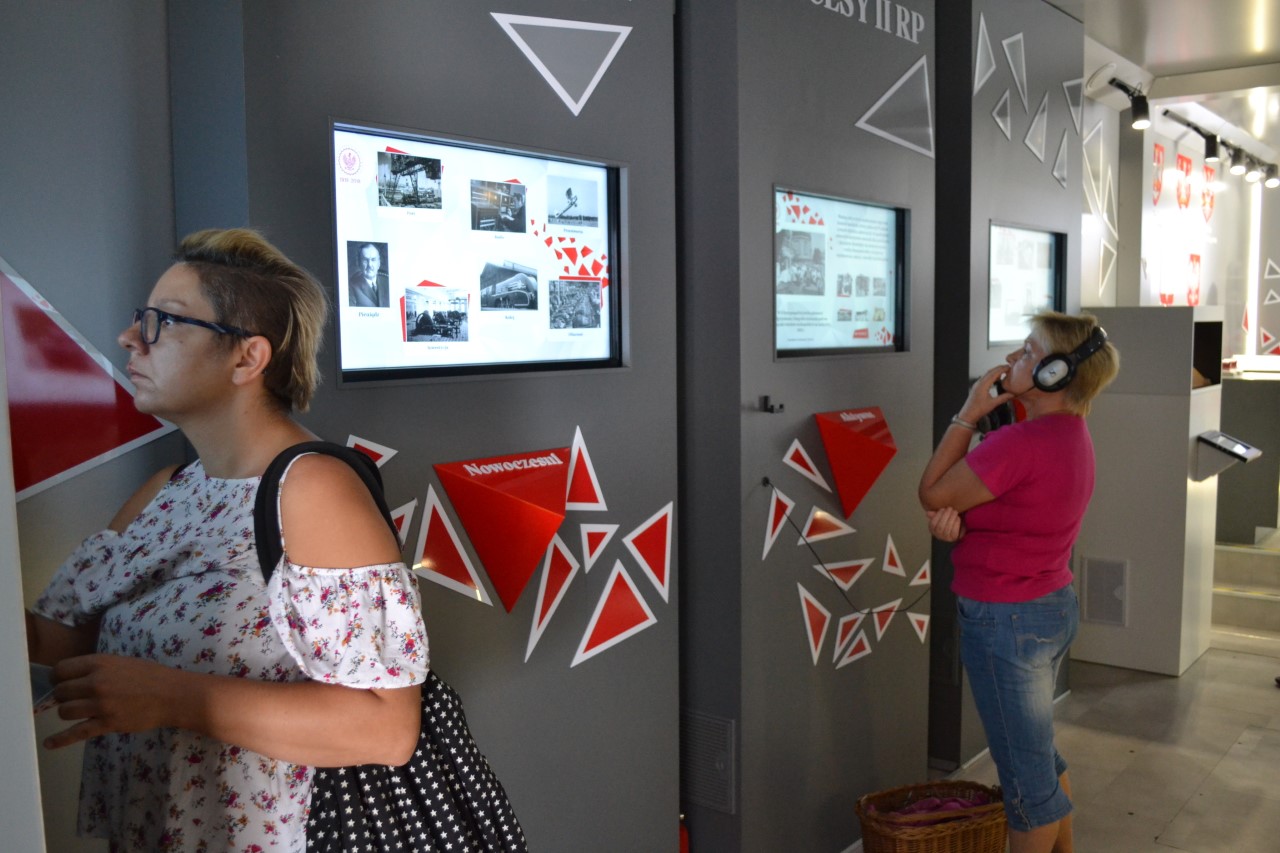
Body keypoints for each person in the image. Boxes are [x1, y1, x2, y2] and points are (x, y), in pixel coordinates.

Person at [26, 228, 428, 851]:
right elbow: (70, 639)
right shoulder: (167, 490)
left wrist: (173, 697)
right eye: (140, 318)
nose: (130, 338)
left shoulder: (311, 488)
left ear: (247, 359)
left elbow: (385, 730)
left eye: (163, 322)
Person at [918, 311, 1119, 853]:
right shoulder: (1067, 434)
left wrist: (968, 414)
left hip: (1007, 621)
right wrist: (962, 527)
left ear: (1056, 374)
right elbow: (1014, 514)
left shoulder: (1021, 443)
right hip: (1046, 608)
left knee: (1027, 790)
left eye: (1029, 352)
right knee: (1037, 759)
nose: (1012, 358)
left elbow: (933, 492)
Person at [348, 241, 390, 307]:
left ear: (379, 263)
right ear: (359, 263)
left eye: (373, 260)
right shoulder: (351, 286)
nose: (369, 265)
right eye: (365, 260)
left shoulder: (387, 282)